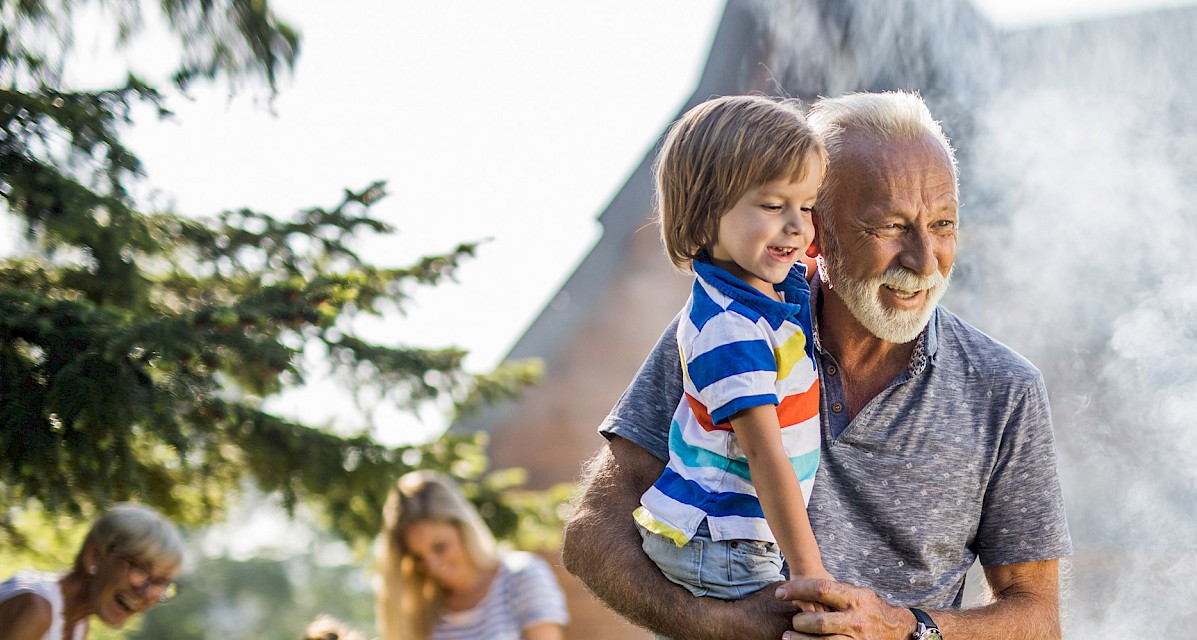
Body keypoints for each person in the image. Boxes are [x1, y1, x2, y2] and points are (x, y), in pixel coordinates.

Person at [563, 90, 1070, 640]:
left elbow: (1038, 620)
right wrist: (725, 626)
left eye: (943, 225)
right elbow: (592, 536)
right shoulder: (728, 328)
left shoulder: (1004, 389)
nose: (925, 260)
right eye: (891, 226)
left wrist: (907, 629)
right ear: (817, 229)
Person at [632, 94, 830, 619]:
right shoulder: (728, 329)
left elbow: (804, 276)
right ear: (704, 213)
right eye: (772, 205)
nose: (798, 227)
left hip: (724, 535)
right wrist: (808, 571)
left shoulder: (759, 290)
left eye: (807, 206)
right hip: (720, 544)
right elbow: (765, 454)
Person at [0, 503, 184, 640]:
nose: (147, 592)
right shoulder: (35, 608)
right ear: (94, 555)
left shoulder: (77, 626)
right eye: (140, 569)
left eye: (161, 582)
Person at [376, 470, 569, 640]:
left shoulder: (522, 577)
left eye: (440, 547)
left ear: (462, 529)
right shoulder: (419, 613)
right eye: (418, 558)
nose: (433, 565)